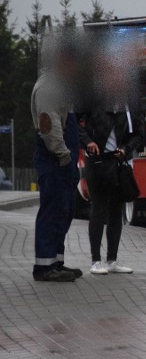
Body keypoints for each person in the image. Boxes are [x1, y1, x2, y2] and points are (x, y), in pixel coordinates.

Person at [78, 52, 142, 275]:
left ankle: (112, 260)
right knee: (98, 211)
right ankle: (95, 261)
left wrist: (125, 149)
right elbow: (76, 125)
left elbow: (138, 134)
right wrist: (89, 142)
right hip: (96, 163)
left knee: (116, 213)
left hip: (119, 164)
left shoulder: (128, 102)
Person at [30, 38, 83, 282]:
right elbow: (49, 126)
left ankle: (56, 262)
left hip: (64, 160)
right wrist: (63, 155)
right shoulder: (48, 87)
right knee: (52, 210)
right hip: (54, 159)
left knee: (64, 209)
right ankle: (44, 266)